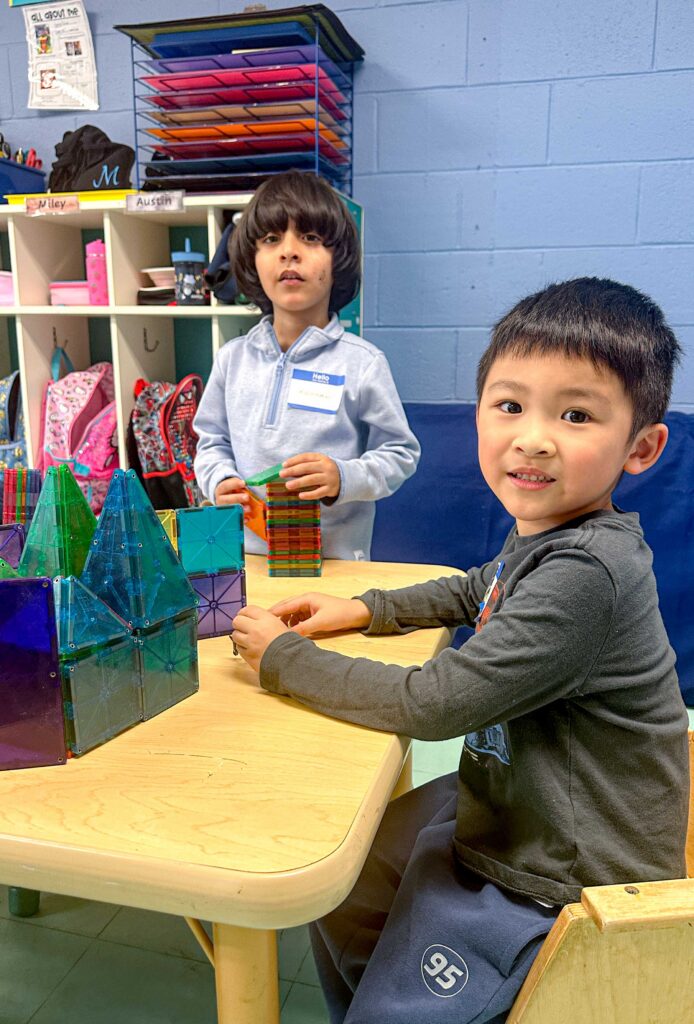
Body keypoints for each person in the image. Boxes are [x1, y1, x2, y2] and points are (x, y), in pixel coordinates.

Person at [231, 277, 691, 1024]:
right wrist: (366, 608)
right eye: (510, 406)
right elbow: (480, 587)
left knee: (377, 960)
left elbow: (434, 704)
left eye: (575, 415)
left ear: (642, 447)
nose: (533, 436)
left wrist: (284, 658)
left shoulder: (589, 573)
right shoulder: (553, 533)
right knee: (344, 878)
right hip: (513, 797)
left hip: (558, 874)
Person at [193, 171, 420, 560]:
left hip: (334, 567)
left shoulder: (362, 363)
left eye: (311, 238)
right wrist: (219, 481)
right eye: (270, 239)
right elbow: (211, 442)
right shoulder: (232, 359)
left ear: (338, 260)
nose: (289, 252)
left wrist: (342, 478)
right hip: (245, 560)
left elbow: (400, 454)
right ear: (252, 259)